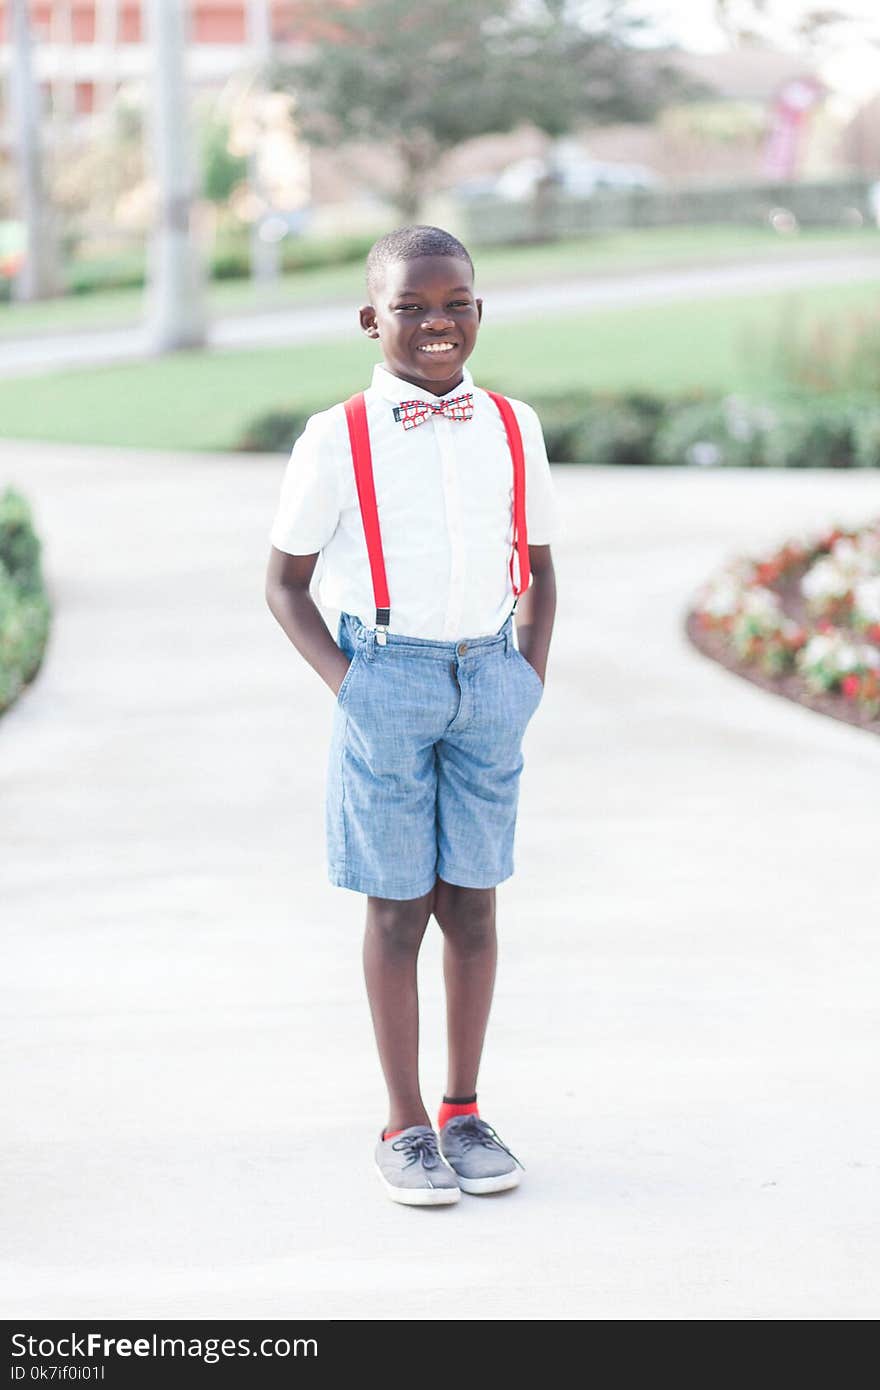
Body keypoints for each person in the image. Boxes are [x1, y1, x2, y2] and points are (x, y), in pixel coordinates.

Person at [265, 225, 559, 1207]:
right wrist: (351, 685)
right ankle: (405, 1123)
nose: (438, 322)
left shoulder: (514, 424)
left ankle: (466, 1108)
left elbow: (541, 565)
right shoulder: (335, 436)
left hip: (489, 680)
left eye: (456, 302)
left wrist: (527, 673)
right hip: (383, 675)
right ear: (370, 319)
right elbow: (283, 583)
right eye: (413, 307)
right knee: (396, 908)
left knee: (472, 901)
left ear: (479, 308)